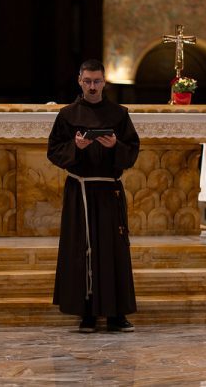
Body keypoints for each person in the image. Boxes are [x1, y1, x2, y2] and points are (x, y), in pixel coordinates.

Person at [47, 59, 140, 333]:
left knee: (113, 251)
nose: (92, 86)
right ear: (79, 80)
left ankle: (116, 314)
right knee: (81, 249)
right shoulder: (67, 115)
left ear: (104, 82)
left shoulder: (119, 114)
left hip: (109, 190)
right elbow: (54, 151)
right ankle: (86, 313)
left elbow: (132, 151)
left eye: (97, 81)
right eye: (87, 81)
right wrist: (75, 147)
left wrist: (115, 146)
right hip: (81, 191)